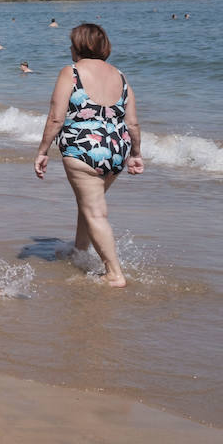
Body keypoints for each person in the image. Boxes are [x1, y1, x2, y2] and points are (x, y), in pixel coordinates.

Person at [33, 24, 143, 287]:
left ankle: (114, 273)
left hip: (83, 149)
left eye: (72, 44)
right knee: (90, 202)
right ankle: (80, 252)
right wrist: (136, 153)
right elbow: (133, 123)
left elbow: (56, 117)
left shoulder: (70, 73)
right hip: (117, 150)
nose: (69, 48)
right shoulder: (120, 75)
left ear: (80, 46)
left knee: (95, 211)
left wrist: (42, 151)